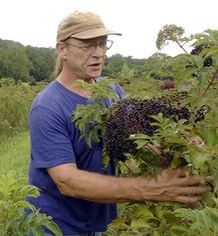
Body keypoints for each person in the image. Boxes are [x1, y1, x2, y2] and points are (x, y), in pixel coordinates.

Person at [26, 10, 213, 236]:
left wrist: (179, 144)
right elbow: (68, 181)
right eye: (87, 46)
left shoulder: (112, 90)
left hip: (99, 223)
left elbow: (138, 138)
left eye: (103, 44)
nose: (98, 54)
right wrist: (153, 188)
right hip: (55, 226)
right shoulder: (47, 107)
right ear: (62, 49)